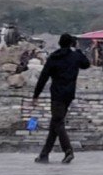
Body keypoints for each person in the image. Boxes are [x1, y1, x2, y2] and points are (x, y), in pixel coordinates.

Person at [32, 33, 91, 164]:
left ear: (59, 43)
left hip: (57, 95)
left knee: (57, 122)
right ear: (71, 43)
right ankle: (44, 155)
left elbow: (43, 77)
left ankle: (68, 151)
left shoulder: (53, 57)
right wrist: (78, 50)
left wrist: (36, 95)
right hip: (69, 95)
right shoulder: (75, 56)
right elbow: (86, 64)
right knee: (55, 123)